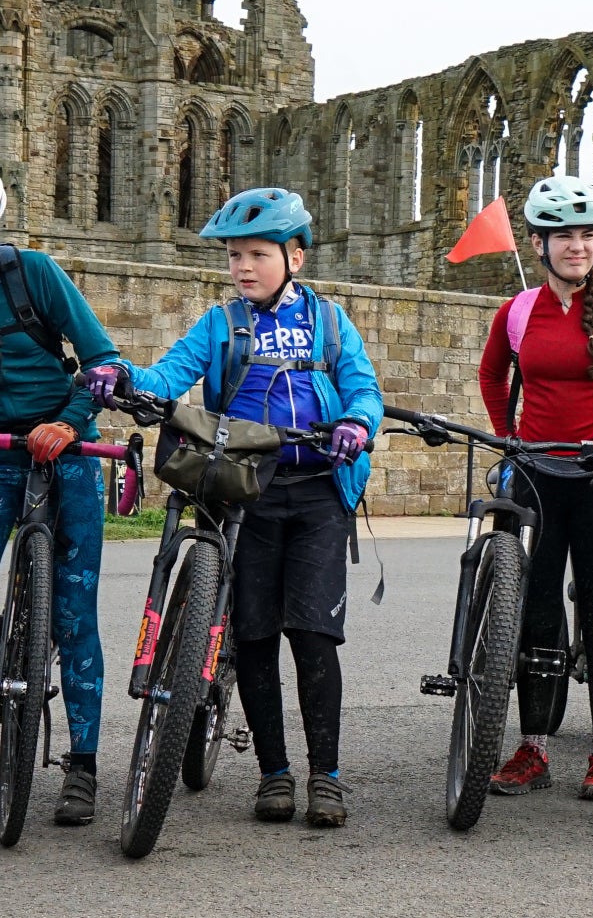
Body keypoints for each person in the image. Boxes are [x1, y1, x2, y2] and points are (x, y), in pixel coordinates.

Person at [88, 187, 382, 830]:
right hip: (244, 490)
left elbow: (364, 389)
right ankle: (274, 773)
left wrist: (357, 424)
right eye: (234, 256)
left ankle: (326, 776)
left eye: (257, 254)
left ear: (295, 257)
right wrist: (126, 378)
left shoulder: (331, 323)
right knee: (252, 635)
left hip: (318, 492)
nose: (243, 267)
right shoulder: (220, 324)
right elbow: (170, 375)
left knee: (314, 636)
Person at [478, 175, 593, 800]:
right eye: (564, 237)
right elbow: (492, 376)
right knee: (535, 607)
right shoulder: (517, 312)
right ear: (539, 245)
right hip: (536, 474)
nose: (578, 246)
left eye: (587, 235)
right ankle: (533, 746)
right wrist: (508, 438)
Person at [0, 172, 121, 825]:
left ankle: (83, 765)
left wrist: (70, 423)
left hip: (65, 450)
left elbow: (103, 362)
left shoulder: (34, 275)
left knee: (74, 616)